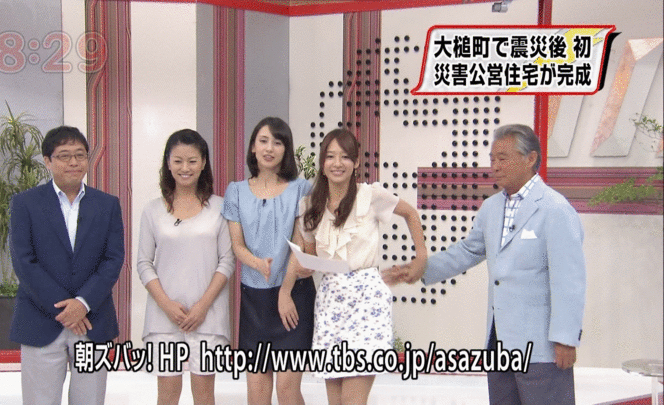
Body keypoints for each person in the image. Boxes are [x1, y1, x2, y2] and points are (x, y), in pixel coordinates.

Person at [420, 124, 586, 404]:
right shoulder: (491, 207)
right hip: (499, 342)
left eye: (503, 158)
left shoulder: (555, 209)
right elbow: (468, 250)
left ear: (530, 158)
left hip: (541, 346)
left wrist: (566, 338)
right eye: (492, 159)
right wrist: (420, 269)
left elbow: (569, 280)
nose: (495, 166)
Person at [297, 128, 427, 405]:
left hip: (367, 300)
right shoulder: (310, 205)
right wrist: (304, 265)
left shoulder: (370, 195)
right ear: (322, 162)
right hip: (330, 301)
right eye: (330, 156)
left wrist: (421, 257)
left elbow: (410, 213)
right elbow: (309, 254)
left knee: (352, 401)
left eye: (345, 157)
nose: (337, 163)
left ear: (356, 162)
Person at [9, 125, 125, 405]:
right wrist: (66, 308)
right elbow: (24, 261)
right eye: (64, 155)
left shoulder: (107, 204)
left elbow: (113, 259)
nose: (74, 162)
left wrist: (83, 303)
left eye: (80, 155)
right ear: (47, 161)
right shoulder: (25, 203)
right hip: (41, 320)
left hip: (92, 320)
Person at [222, 117, 315, 405]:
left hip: (294, 295)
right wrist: (258, 264)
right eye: (263, 141)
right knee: (257, 393)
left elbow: (301, 246)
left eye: (277, 142)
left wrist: (285, 291)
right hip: (254, 299)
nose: (269, 148)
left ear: (286, 149)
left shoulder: (301, 188)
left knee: (287, 391)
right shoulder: (235, 191)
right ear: (253, 147)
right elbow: (237, 245)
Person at [137, 129, 235, 405]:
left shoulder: (220, 208)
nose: (185, 168)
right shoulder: (153, 210)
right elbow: (144, 263)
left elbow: (227, 261)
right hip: (164, 318)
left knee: (204, 396)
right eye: (178, 161)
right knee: (167, 396)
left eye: (192, 161)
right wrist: (167, 305)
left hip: (208, 317)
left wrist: (202, 306)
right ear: (168, 163)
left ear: (203, 163)